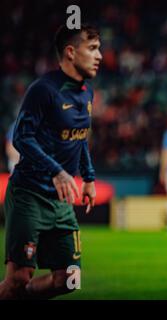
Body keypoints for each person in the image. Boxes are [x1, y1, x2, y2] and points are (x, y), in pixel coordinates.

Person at [0, 24, 102, 299]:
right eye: (92, 48)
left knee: (69, 279)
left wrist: (89, 177)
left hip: (61, 201)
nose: (100, 55)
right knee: (19, 277)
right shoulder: (43, 89)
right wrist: (57, 171)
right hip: (29, 194)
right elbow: (21, 138)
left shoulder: (87, 93)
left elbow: (79, 138)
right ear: (70, 52)